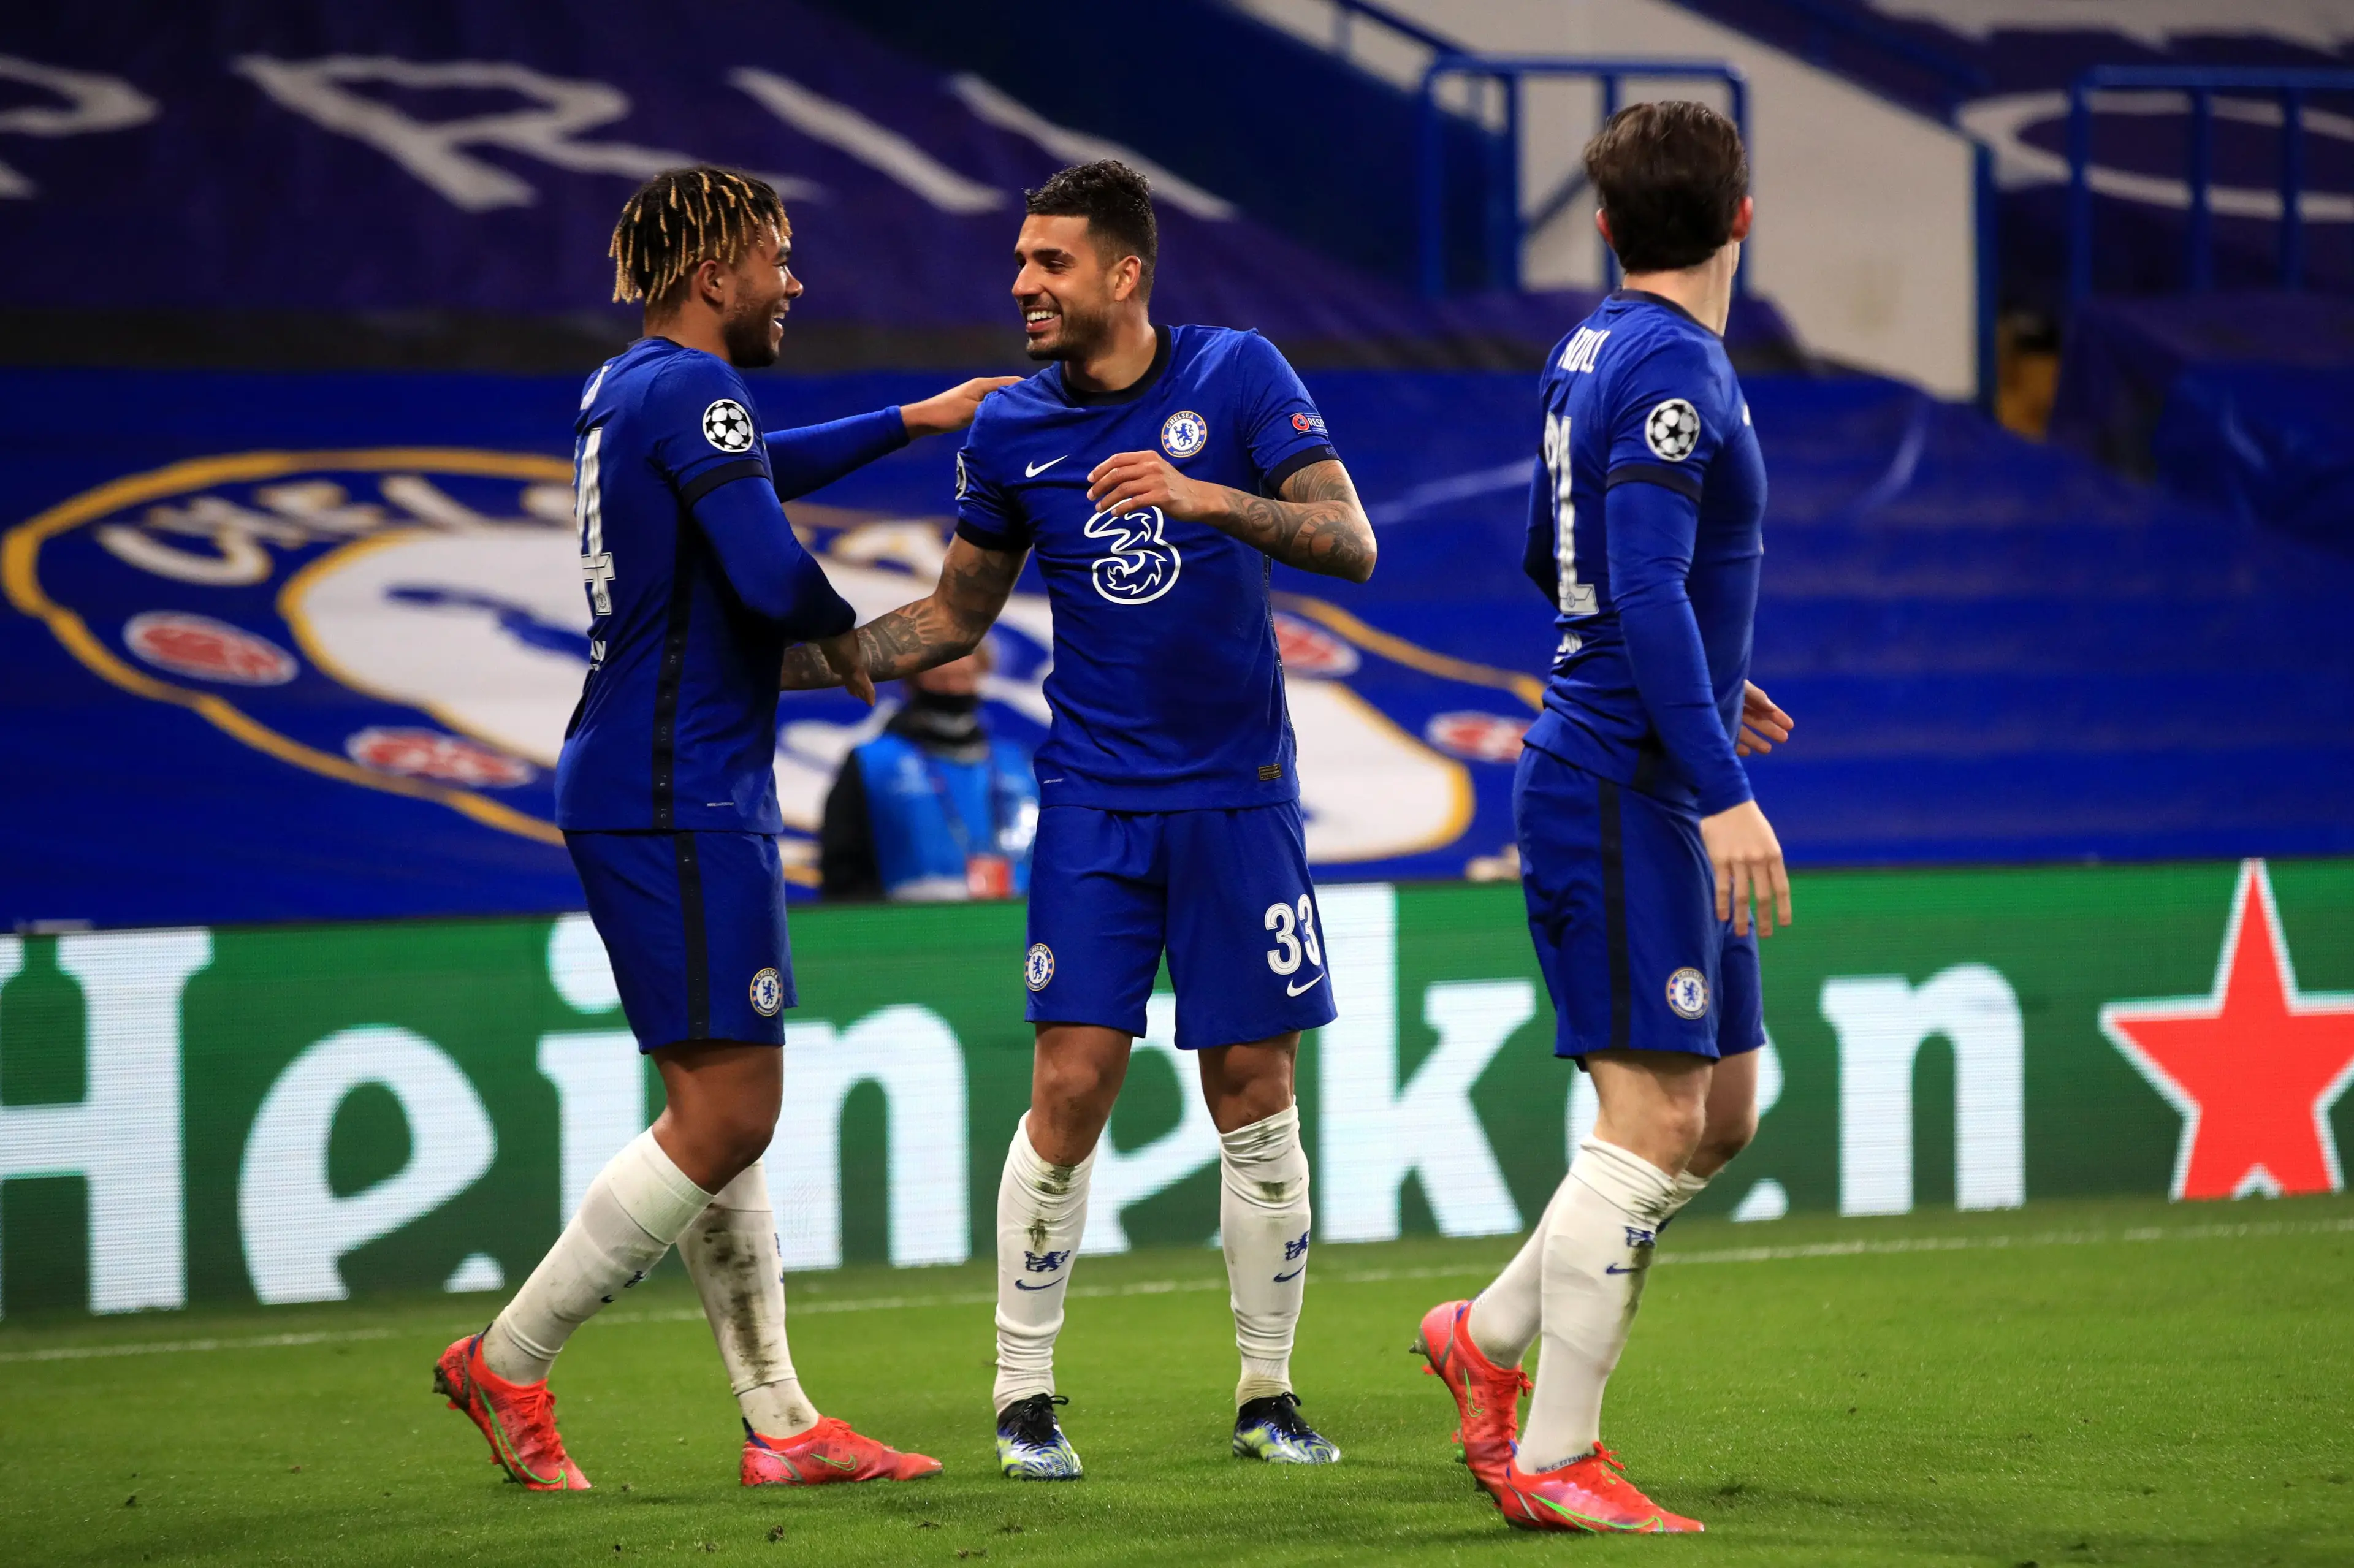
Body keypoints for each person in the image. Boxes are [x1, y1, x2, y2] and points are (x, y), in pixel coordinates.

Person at [780, 160, 1377, 1478]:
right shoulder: (1011, 429)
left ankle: (1267, 1391)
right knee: (1070, 1081)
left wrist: (1209, 497)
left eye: (1049, 262)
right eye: (1020, 261)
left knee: (1256, 1091)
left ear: (1125, 272)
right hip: (1096, 801)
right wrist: (789, 669)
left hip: (1238, 797)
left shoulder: (1236, 374)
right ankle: (1022, 1393)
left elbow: (1352, 540)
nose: (1023, 285)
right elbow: (953, 616)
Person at [432, 164, 1016, 1493]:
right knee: (734, 1108)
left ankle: (781, 1422)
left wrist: (913, 419)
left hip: (656, 773)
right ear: (716, 274)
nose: (793, 282)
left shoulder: (631, 386)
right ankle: (508, 1362)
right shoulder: (693, 387)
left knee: (715, 1106)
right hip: (674, 785)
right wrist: (846, 639)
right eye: (777, 259)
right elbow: (764, 565)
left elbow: (748, 470)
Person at [1412, 102, 1797, 1534]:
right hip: (1622, 782)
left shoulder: (1592, 347)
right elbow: (1631, 585)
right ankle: (1558, 1455)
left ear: (1603, 225)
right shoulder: (1675, 367)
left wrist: (1708, 678)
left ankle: (1485, 1336)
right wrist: (1717, 780)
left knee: (1721, 1112)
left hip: (1648, 753)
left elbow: (1552, 553)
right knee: (1651, 1116)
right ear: (1741, 217)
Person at [818, 647, 1039, 902]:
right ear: (913, 683)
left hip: (1011, 918)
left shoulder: (1017, 763)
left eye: (964, 677)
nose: (954, 689)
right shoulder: (873, 763)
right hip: (905, 921)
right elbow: (842, 863)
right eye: (941, 679)